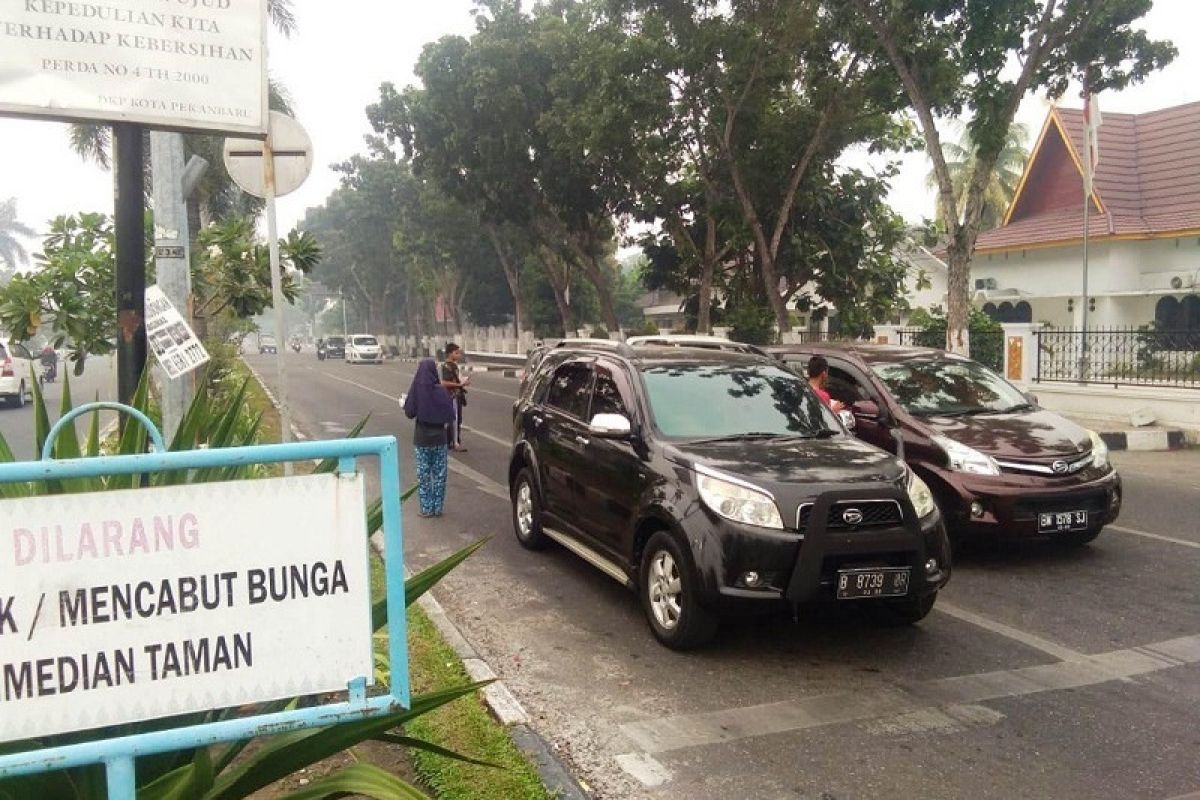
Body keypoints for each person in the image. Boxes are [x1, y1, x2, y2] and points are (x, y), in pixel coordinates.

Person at [403, 358, 455, 517]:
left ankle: (426, 509)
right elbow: (450, 416)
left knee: (424, 475)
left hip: (422, 439)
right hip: (440, 438)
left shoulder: (416, 390)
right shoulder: (441, 391)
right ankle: (438, 508)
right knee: (440, 475)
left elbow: (409, 412)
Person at [441, 343, 470, 452]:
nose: (458, 355)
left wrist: (463, 382)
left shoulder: (453, 365)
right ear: (450, 353)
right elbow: (444, 382)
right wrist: (460, 385)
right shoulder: (447, 366)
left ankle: (452, 441)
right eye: (456, 353)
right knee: (454, 420)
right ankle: (454, 443)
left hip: (456, 395)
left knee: (457, 420)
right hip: (452, 396)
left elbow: (456, 379)